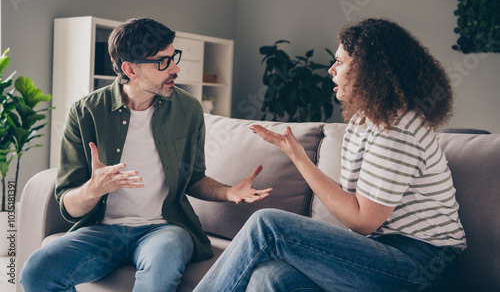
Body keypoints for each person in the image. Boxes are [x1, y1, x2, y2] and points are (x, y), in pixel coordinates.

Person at [193, 18, 467, 292]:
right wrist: (297, 154)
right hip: (382, 255)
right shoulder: (366, 121)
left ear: (369, 70)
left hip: (424, 267)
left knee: (267, 224)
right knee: (270, 277)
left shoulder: (397, 130)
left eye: (340, 62)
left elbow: (362, 220)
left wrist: (299, 158)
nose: (331, 69)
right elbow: (359, 204)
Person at [20, 17, 272, 292]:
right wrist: (93, 189)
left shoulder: (188, 109)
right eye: (162, 61)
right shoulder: (85, 112)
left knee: (159, 272)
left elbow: (193, 177)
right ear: (130, 69)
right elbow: (68, 206)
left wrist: (228, 192)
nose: (175, 68)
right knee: (37, 271)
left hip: (165, 229)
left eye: (173, 56)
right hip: (103, 231)